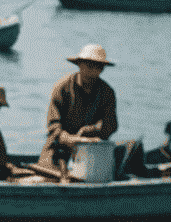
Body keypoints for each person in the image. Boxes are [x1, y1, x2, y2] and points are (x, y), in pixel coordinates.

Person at [42, 44, 117, 173]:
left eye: (97, 67)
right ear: (79, 64)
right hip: (58, 151)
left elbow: (111, 125)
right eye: (88, 65)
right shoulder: (62, 87)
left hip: (91, 152)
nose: (92, 71)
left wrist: (92, 130)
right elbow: (54, 129)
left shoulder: (107, 92)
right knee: (49, 175)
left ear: (102, 69)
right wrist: (75, 140)